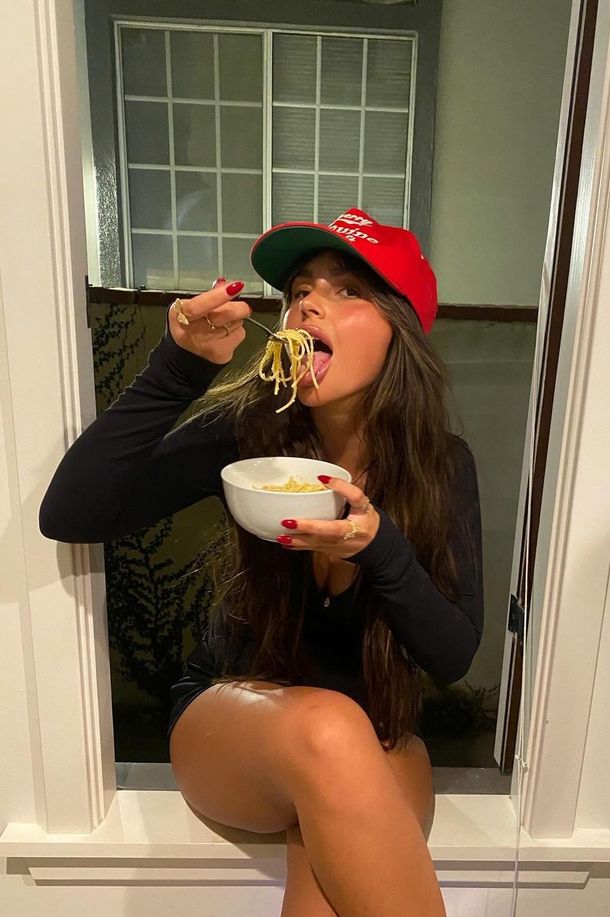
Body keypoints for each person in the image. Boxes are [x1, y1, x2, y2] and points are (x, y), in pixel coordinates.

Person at [40, 207, 484, 917]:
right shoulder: (251, 429)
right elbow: (71, 514)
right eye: (300, 289)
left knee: (327, 878)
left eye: (345, 290)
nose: (308, 301)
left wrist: (380, 549)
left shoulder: (440, 465)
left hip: (364, 738)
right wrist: (177, 364)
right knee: (332, 727)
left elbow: (453, 653)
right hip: (233, 723)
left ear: (401, 329)